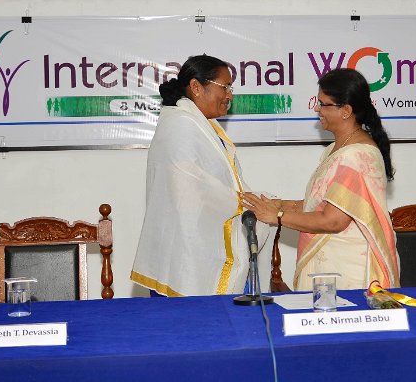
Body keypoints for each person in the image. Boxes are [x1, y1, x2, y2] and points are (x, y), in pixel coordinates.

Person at [241, 68, 400, 291]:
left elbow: (333, 221)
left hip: (348, 274)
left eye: (323, 104)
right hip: (330, 268)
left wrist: (277, 216)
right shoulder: (336, 149)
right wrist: (279, 205)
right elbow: (319, 206)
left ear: (346, 111)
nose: (317, 109)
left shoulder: (356, 156)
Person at [131, 54, 269, 297]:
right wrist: (243, 203)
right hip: (186, 249)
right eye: (225, 87)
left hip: (203, 242)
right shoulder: (181, 124)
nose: (230, 95)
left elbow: (225, 182)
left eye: (231, 88)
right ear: (196, 86)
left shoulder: (204, 125)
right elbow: (188, 186)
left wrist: (260, 201)